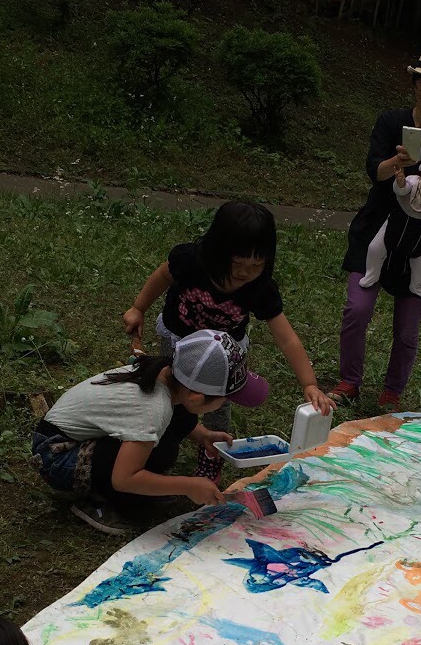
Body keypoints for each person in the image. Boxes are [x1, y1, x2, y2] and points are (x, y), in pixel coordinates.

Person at [122, 199, 333, 479]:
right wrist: (138, 308)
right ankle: (157, 439)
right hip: (179, 341)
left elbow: (287, 338)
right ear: (217, 250)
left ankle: (212, 453)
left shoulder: (259, 289)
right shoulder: (191, 261)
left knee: (217, 405)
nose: (247, 272)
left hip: (223, 356)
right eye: (238, 263)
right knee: (169, 393)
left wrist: (309, 383)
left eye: (258, 264)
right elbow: (162, 276)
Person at [331, 42, 421, 410]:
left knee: (407, 327)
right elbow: (374, 173)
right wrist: (397, 161)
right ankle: (349, 382)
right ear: (414, 84)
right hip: (377, 226)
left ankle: (392, 393)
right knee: (357, 310)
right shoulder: (390, 122)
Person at [32, 328, 268, 535]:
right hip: (56, 456)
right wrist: (188, 485)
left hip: (70, 437)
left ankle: (114, 489)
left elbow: (179, 413)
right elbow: (125, 478)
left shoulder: (166, 373)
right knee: (161, 452)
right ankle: (99, 504)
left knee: (171, 428)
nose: (226, 403)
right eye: (226, 399)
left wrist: (201, 434)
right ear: (197, 396)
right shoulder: (153, 408)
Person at [358, 151, 421, 299]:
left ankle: (417, 284)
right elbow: (402, 191)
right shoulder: (412, 181)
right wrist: (400, 182)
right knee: (375, 248)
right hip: (393, 227)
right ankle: (372, 274)